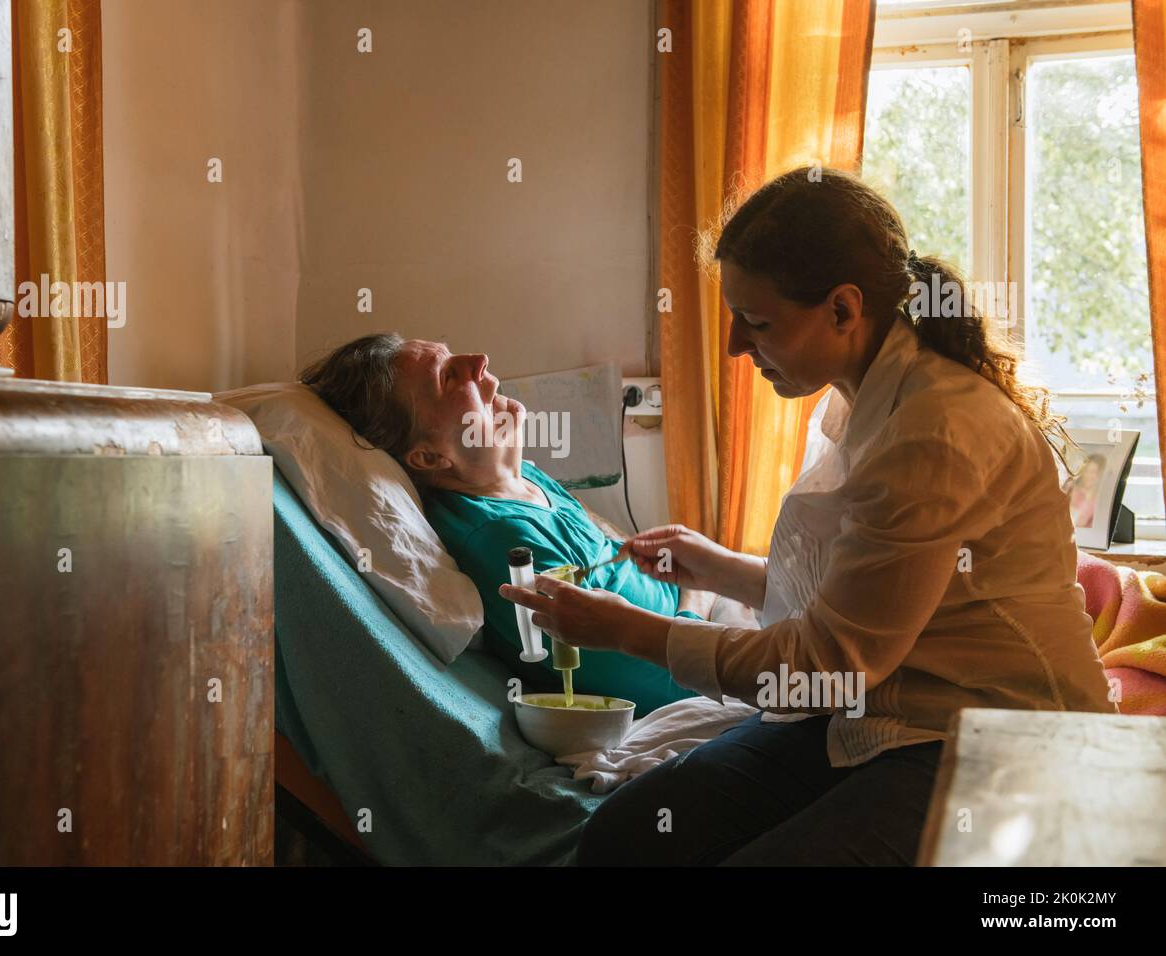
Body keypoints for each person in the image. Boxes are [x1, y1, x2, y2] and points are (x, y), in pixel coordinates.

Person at [500, 166, 1116, 865]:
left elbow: (828, 667)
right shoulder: (861, 399)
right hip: (884, 710)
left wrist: (628, 630)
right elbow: (857, 603)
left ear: (844, 310)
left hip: (992, 737)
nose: (735, 344)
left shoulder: (934, 432)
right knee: (627, 834)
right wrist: (720, 568)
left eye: (757, 322)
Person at [300, 334, 711, 715]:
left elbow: (612, 552)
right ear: (429, 457)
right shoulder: (504, 543)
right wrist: (700, 598)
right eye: (448, 377)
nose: (479, 361)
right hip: (698, 667)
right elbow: (655, 682)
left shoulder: (524, 480)